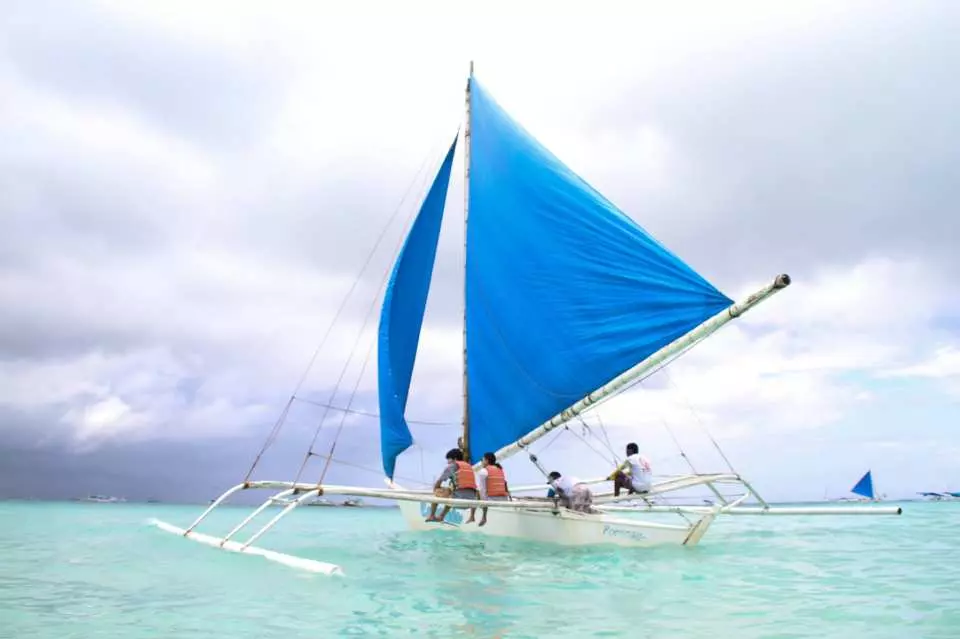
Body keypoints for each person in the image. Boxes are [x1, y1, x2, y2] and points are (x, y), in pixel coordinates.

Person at [426, 448, 478, 523]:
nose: (447, 462)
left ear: (455, 459)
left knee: (438, 491)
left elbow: (439, 482)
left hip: (459, 501)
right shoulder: (469, 466)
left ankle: (432, 516)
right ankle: (441, 516)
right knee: (450, 492)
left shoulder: (452, 466)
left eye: (449, 459)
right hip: (472, 502)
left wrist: (435, 490)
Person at [466, 452, 510, 527]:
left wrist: (483, 505)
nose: (481, 462)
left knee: (476, 493)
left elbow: (482, 491)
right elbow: (505, 485)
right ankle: (475, 517)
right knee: (481, 493)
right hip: (504, 499)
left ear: (486, 460)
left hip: (491, 500)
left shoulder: (483, 471)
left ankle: (474, 516)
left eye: (482, 460)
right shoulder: (499, 469)